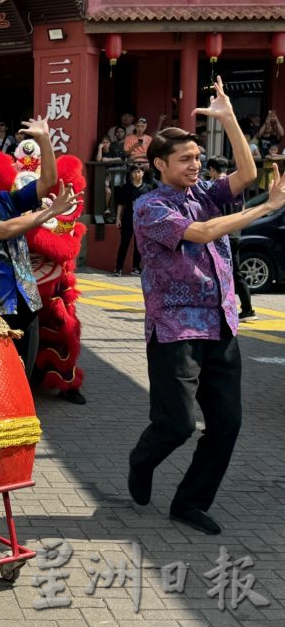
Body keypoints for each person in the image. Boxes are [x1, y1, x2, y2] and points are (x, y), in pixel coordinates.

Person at [128, 76, 285, 536]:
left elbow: (248, 175)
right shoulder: (150, 206)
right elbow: (201, 234)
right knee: (176, 424)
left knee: (227, 424)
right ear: (160, 164)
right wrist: (265, 209)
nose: (196, 165)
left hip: (221, 323)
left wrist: (230, 118)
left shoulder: (206, 194)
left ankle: (189, 502)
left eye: (198, 157)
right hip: (175, 327)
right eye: (186, 159)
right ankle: (142, 460)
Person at [0, 118, 80, 378]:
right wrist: (49, 213)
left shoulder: (5, 199)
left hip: (25, 301)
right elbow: (5, 230)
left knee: (23, 377)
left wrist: (44, 140)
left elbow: (47, 182)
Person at [207, 157, 256, 322]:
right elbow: (242, 209)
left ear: (212, 170)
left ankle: (241, 309)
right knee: (235, 272)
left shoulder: (214, 187)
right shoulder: (238, 186)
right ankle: (246, 308)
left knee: (219, 272)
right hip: (235, 234)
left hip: (220, 234)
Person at [113, 164, 153, 276]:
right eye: (135, 172)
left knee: (139, 244)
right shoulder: (126, 187)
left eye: (139, 171)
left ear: (143, 173)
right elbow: (121, 204)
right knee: (124, 243)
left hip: (142, 219)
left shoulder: (148, 188)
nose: (137, 174)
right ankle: (118, 268)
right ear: (131, 174)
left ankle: (136, 267)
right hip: (128, 217)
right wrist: (118, 219)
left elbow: (151, 205)